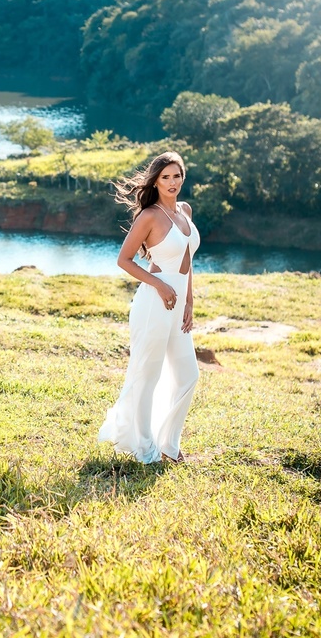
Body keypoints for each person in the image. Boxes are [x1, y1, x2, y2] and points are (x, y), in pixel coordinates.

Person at [97, 150, 201, 464]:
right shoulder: (150, 216)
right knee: (147, 375)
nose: (172, 182)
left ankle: (169, 444)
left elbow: (187, 260)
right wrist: (160, 285)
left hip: (178, 305)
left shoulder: (184, 210)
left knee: (188, 375)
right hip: (153, 304)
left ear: (183, 177)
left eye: (177, 175)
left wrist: (189, 300)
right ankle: (145, 448)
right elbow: (124, 260)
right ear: (155, 181)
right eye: (165, 177)